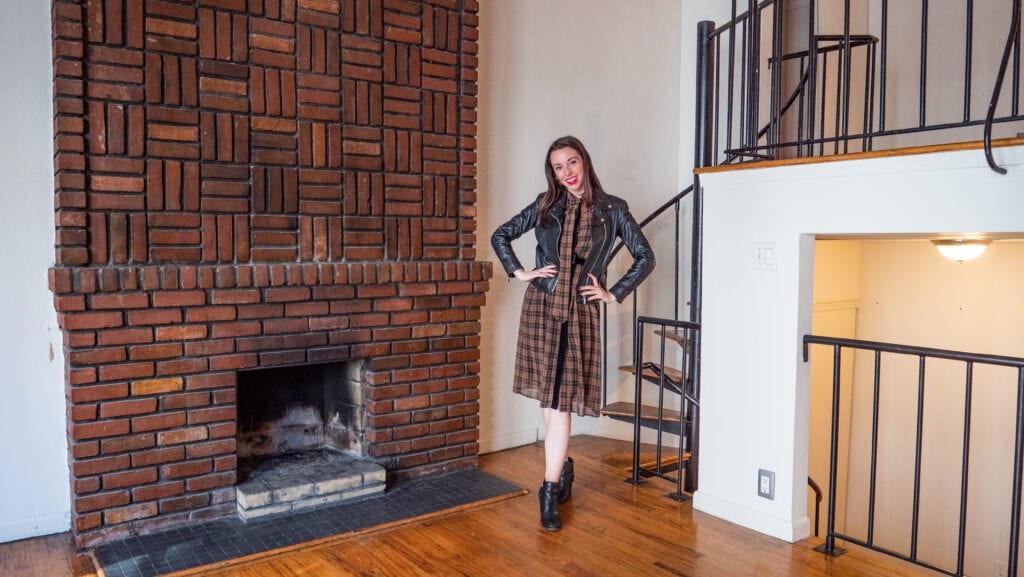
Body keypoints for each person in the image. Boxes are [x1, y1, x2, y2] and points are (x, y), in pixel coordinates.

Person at [491, 135, 655, 531]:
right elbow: (501, 234)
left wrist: (611, 293)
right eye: (558, 167)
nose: (566, 173)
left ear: (585, 161)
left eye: (572, 163)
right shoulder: (546, 205)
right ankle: (562, 468)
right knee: (549, 399)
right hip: (543, 304)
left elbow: (645, 255)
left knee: (560, 402)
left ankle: (549, 491)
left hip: (579, 312)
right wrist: (521, 272)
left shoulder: (613, 209)